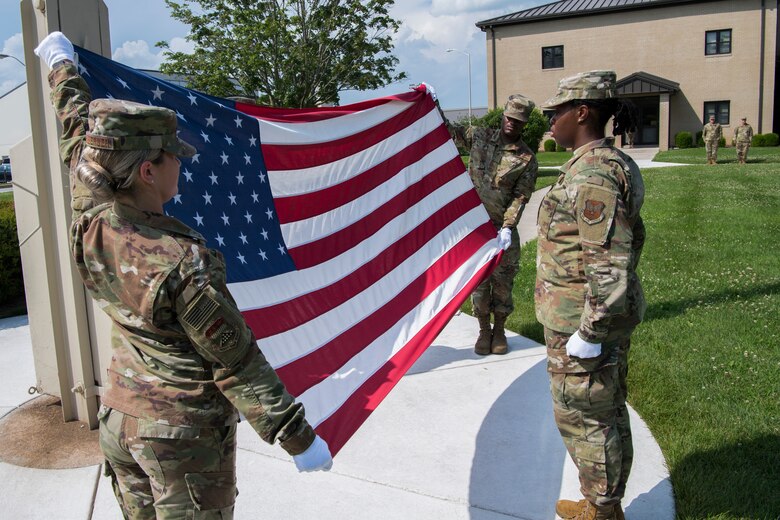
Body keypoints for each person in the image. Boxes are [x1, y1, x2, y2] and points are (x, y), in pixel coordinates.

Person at [35, 32, 332, 519]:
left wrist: (59, 63)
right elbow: (237, 363)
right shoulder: (180, 263)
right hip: (182, 444)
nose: (181, 163)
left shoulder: (90, 210)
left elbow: (76, 127)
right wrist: (298, 440)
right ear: (148, 172)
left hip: (121, 421)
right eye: (172, 155)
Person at [536, 71, 646, 520]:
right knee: (607, 410)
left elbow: (610, 260)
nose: (550, 122)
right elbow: (633, 239)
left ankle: (601, 511)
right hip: (597, 314)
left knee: (584, 417)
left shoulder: (594, 175)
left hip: (581, 322)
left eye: (555, 112)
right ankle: (605, 502)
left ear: (582, 113)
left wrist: (591, 329)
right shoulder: (611, 164)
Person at [447, 94, 538, 355]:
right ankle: (483, 330)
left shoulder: (526, 159)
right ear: (503, 116)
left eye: (518, 121)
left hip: (501, 230)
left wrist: (508, 226)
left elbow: (521, 196)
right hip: (475, 227)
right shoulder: (481, 136)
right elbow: (448, 132)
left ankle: (499, 330)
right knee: (479, 283)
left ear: (524, 124)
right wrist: (433, 104)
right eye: (510, 118)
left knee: (502, 282)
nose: (512, 124)